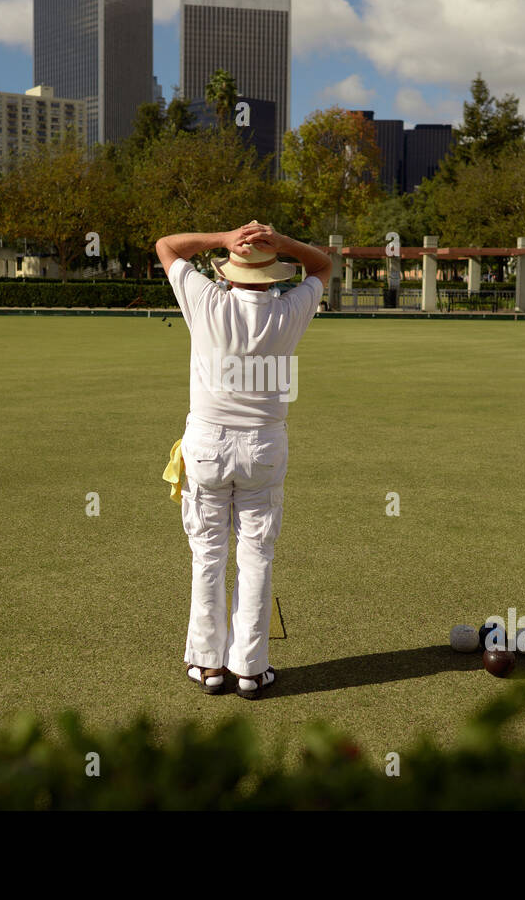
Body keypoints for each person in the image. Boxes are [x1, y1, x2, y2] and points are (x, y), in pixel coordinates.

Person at [155, 221, 332, 698]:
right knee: (256, 557)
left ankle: (208, 666)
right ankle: (251, 670)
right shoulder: (291, 308)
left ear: (228, 272)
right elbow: (322, 265)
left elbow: (167, 245)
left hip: (208, 445)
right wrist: (283, 243)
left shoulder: (207, 300)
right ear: (274, 276)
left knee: (207, 556)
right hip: (264, 447)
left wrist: (224, 237)